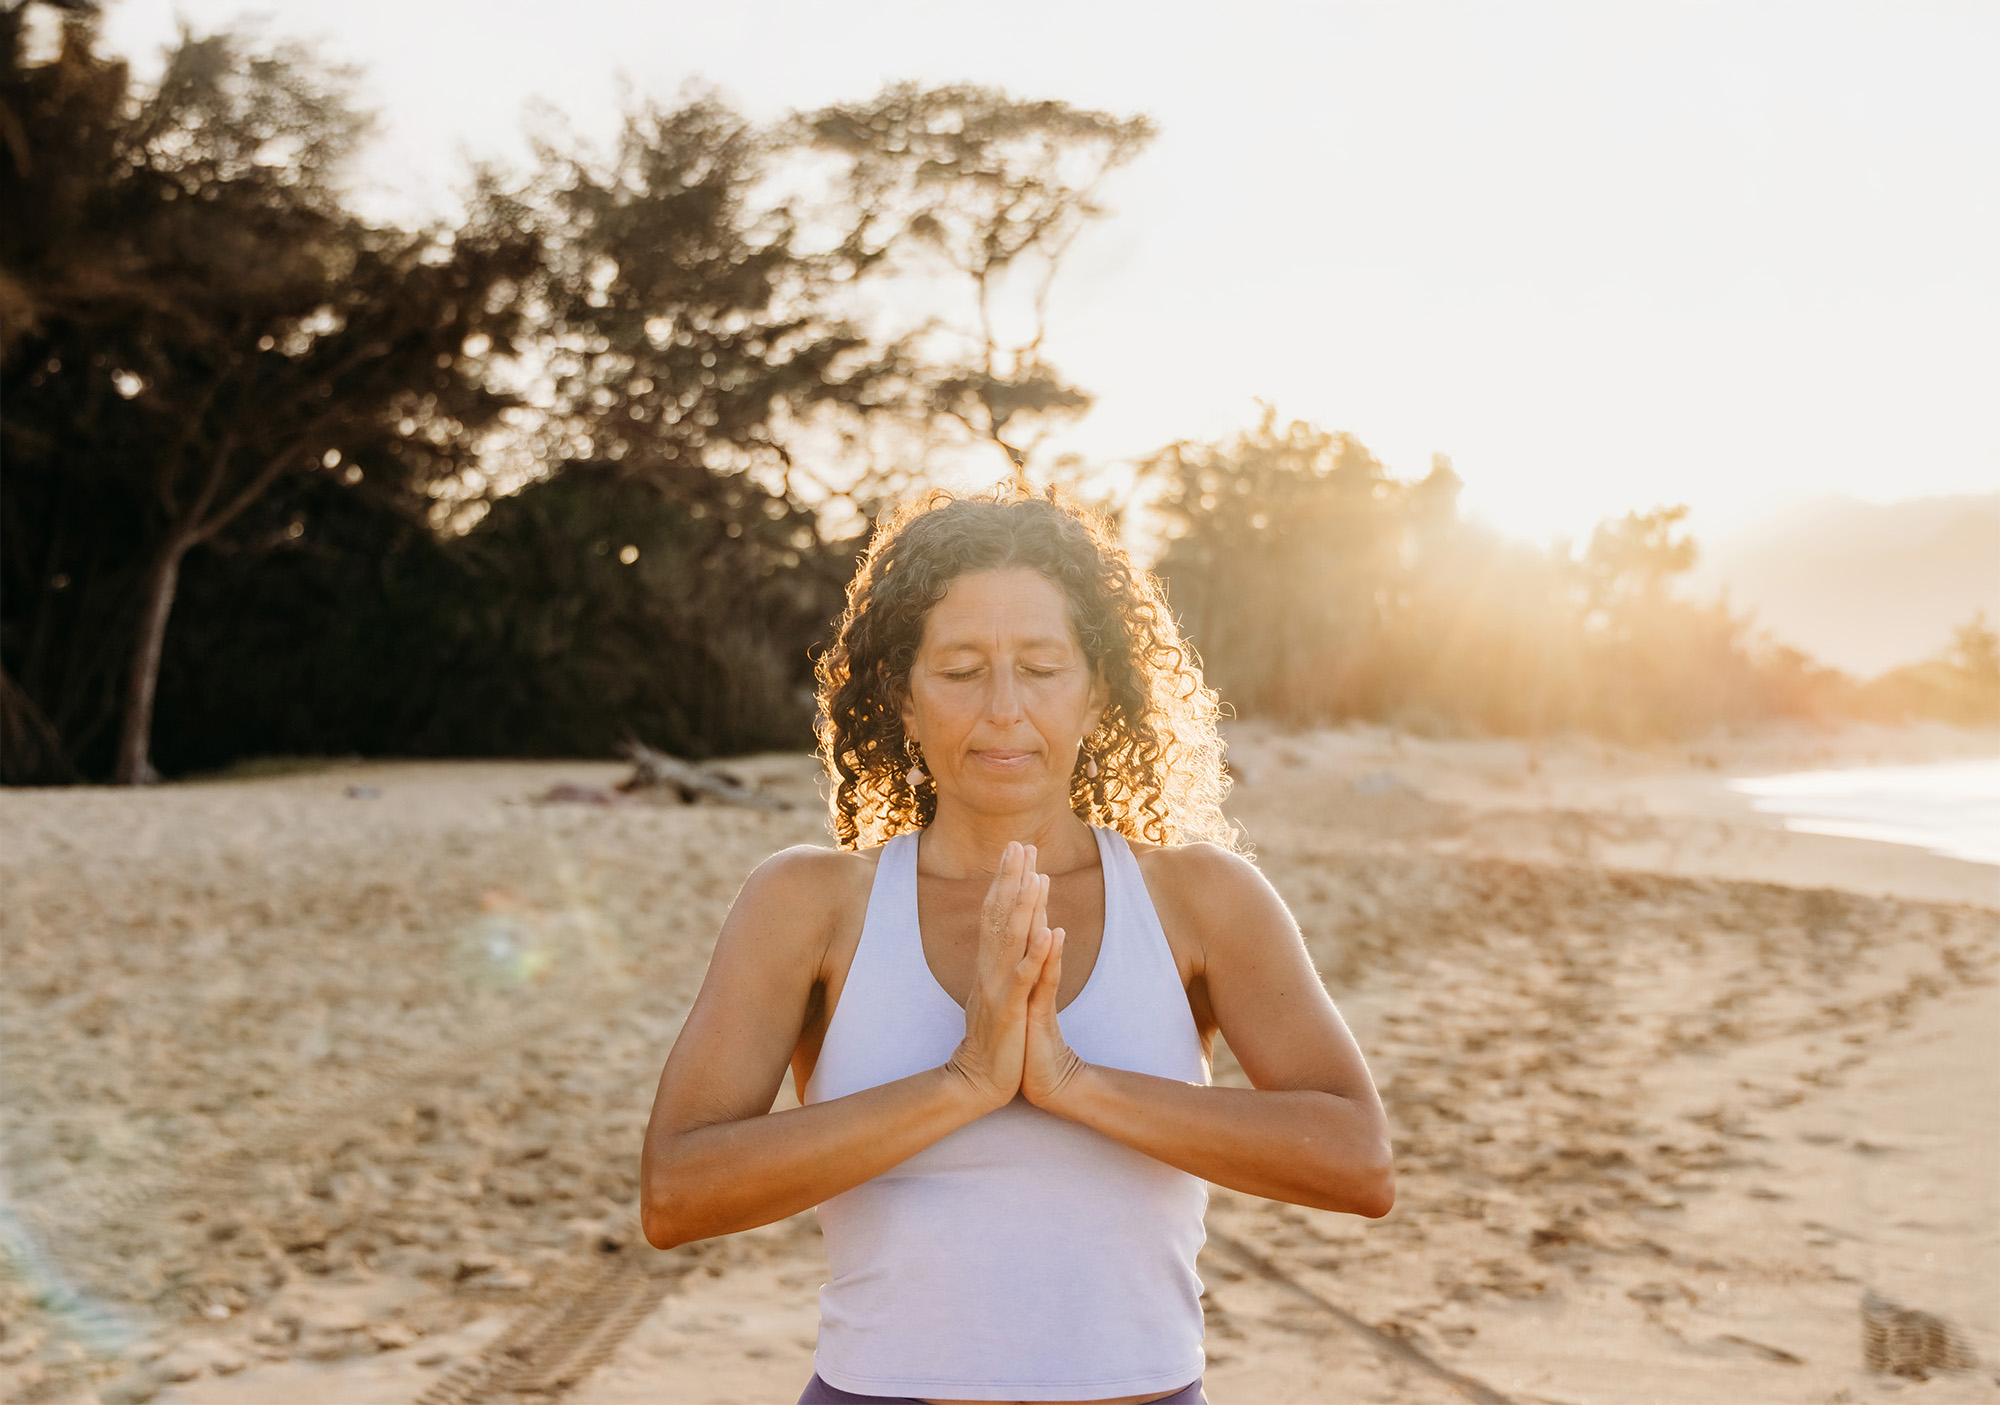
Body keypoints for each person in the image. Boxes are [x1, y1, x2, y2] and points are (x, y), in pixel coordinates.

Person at [641, 486, 1393, 1405]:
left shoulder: (1200, 898)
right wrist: (962, 1082)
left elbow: (1358, 1161)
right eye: (959, 669)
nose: (1003, 708)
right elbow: (677, 1193)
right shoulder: (808, 904)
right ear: (903, 701)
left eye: (1041, 666)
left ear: (1097, 692)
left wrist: (1074, 1083)